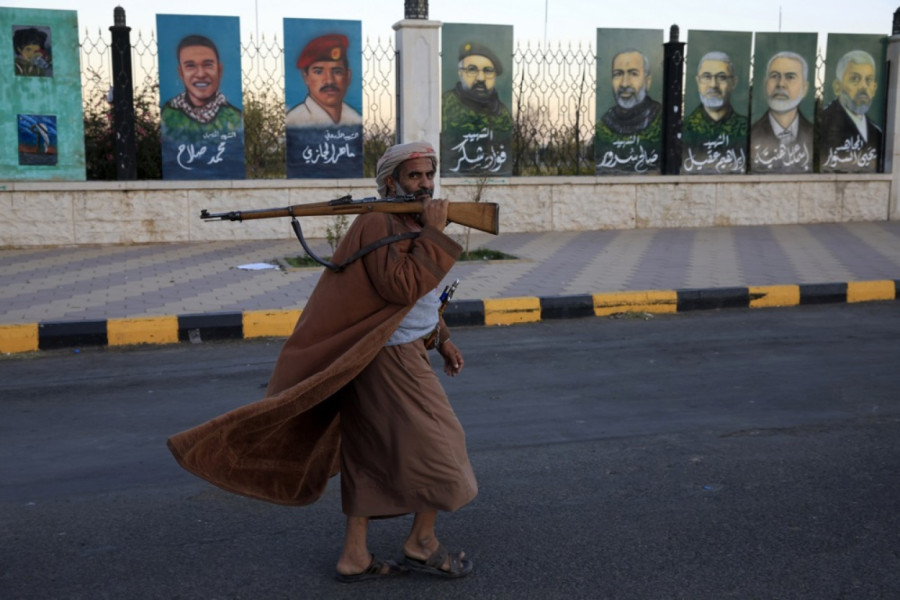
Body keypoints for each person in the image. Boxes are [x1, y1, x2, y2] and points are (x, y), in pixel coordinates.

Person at [167, 141, 477, 582]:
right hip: (386, 357)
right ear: (391, 182)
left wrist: (442, 337)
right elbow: (402, 287)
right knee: (442, 445)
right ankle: (421, 543)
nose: (425, 183)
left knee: (369, 452)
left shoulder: (406, 220)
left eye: (429, 174)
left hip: (394, 349)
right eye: (414, 176)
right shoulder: (377, 221)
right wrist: (435, 233)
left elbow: (418, 301)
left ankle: (355, 555)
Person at [160, 34, 244, 178]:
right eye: (190, 66)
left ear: (219, 69)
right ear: (181, 72)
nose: (200, 74)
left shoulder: (234, 118)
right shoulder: (168, 115)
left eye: (208, 65)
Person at [440, 41, 513, 175]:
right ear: (460, 73)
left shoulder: (503, 114)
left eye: (488, 71)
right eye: (472, 70)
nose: (480, 78)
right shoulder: (444, 107)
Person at [595, 49, 662, 173]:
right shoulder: (603, 125)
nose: (624, 83)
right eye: (618, 74)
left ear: (648, 82)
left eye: (633, 73)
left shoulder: (661, 120)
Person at [682, 51, 748, 174]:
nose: (713, 85)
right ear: (698, 82)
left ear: (733, 83)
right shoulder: (683, 129)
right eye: (707, 77)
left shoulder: (748, 129)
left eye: (722, 77)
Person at [750, 51, 813, 173]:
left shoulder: (813, 134)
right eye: (774, 76)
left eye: (790, 77)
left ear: (804, 88)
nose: (781, 84)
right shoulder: (753, 133)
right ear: (765, 84)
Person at [819, 49, 882, 173]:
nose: (863, 86)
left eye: (868, 80)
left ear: (874, 88)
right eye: (855, 79)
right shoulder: (823, 125)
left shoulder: (877, 133)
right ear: (837, 87)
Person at [286, 33, 362, 127]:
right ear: (306, 77)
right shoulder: (294, 122)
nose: (329, 81)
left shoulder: (355, 120)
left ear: (348, 77)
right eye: (318, 72)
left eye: (337, 72)